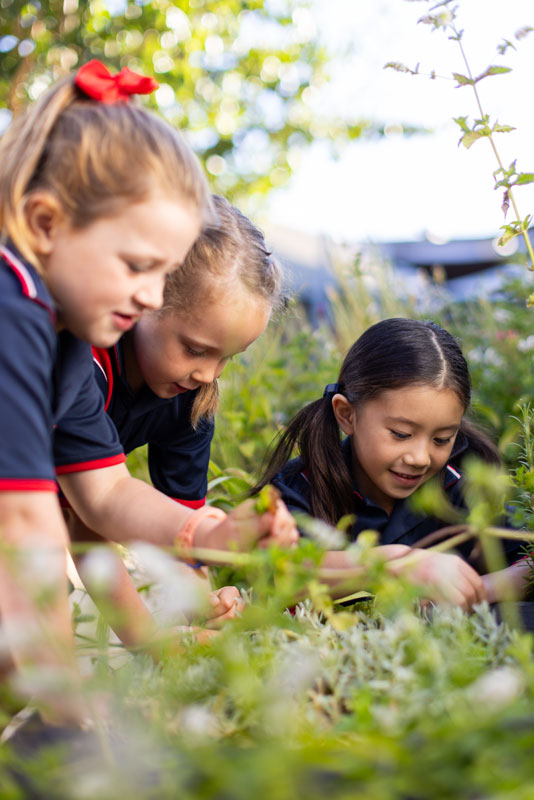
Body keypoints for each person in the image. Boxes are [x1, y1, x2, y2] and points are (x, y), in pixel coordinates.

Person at [0, 60, 296, 725]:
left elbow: (102, 494)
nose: (154, 297)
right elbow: (27, 522)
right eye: (139, 267)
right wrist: (61, 694)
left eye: (163, 273)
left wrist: (210, 532)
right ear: (46, 223)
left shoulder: (66, 334)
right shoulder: (12, 311)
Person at [67, 194, 288, 650]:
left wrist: (203, 605)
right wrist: (149, 643)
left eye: (227, 357)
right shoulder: (80, 361)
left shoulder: (192, 399)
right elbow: (88, 517)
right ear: (144, 300)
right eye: (195, 349)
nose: (209, 374)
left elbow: (183, 525)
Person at [257, 318, 529, 609]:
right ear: (347, 415)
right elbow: (287, 567)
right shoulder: (302, 484)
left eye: (441, 439)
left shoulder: (457, 486)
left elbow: (528, 556)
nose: (420, 458)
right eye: (401, 434)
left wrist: (479, 591)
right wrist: (400, 564)